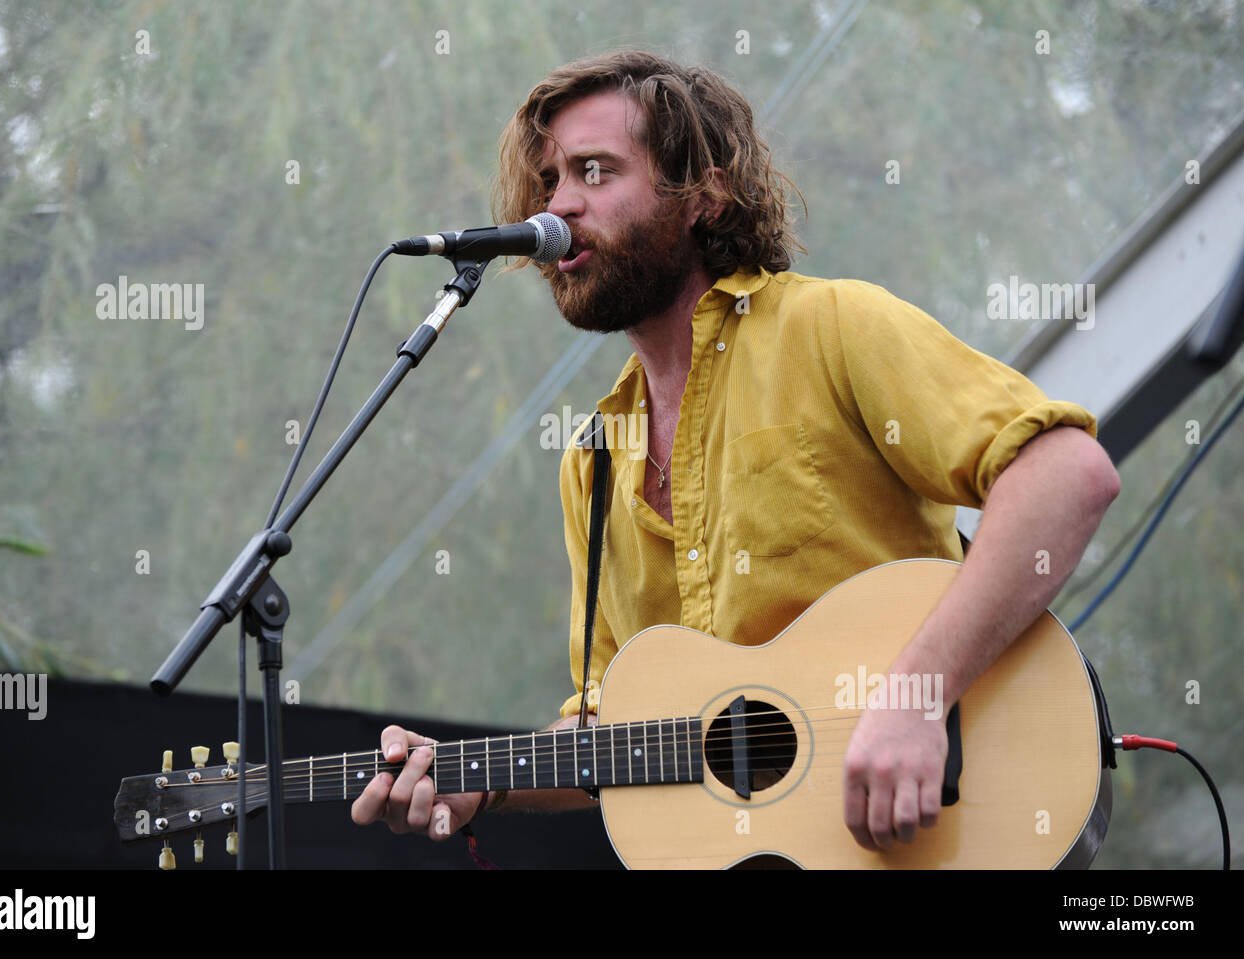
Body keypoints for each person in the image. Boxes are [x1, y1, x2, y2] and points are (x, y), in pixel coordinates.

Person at [351, 50, 1120, 856]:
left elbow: (1067, 475)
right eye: (548, 182)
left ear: (704, 195)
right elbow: (619, 724)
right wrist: (484, 780)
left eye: (593, 171)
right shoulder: (596, 459)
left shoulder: (832, 328)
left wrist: (917, 698)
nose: (559, 206)